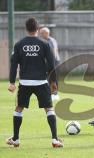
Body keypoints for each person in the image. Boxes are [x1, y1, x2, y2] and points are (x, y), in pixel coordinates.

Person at [7, 17, 63, 148]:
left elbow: (14, 64)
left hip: (25, 82)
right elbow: (51, 64)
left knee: (19, 109)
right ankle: (55, 139)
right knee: (49, 109)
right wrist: (53, 82)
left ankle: (15, 139)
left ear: (26, 29)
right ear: (37, 29)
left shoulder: (19, 44)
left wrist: (11, 82)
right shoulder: (44, 43)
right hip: (41, 82)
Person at [39, 27, 61, 101]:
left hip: (53, 61)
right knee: (46, 78)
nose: (40, 34)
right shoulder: (42, 40)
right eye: (40, 33)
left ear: (46, 33)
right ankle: (48, 93)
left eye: (42, 33)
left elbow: (53, 52)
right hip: (46, 62)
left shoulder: (51, 41)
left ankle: (55, 94)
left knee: (53, 78)